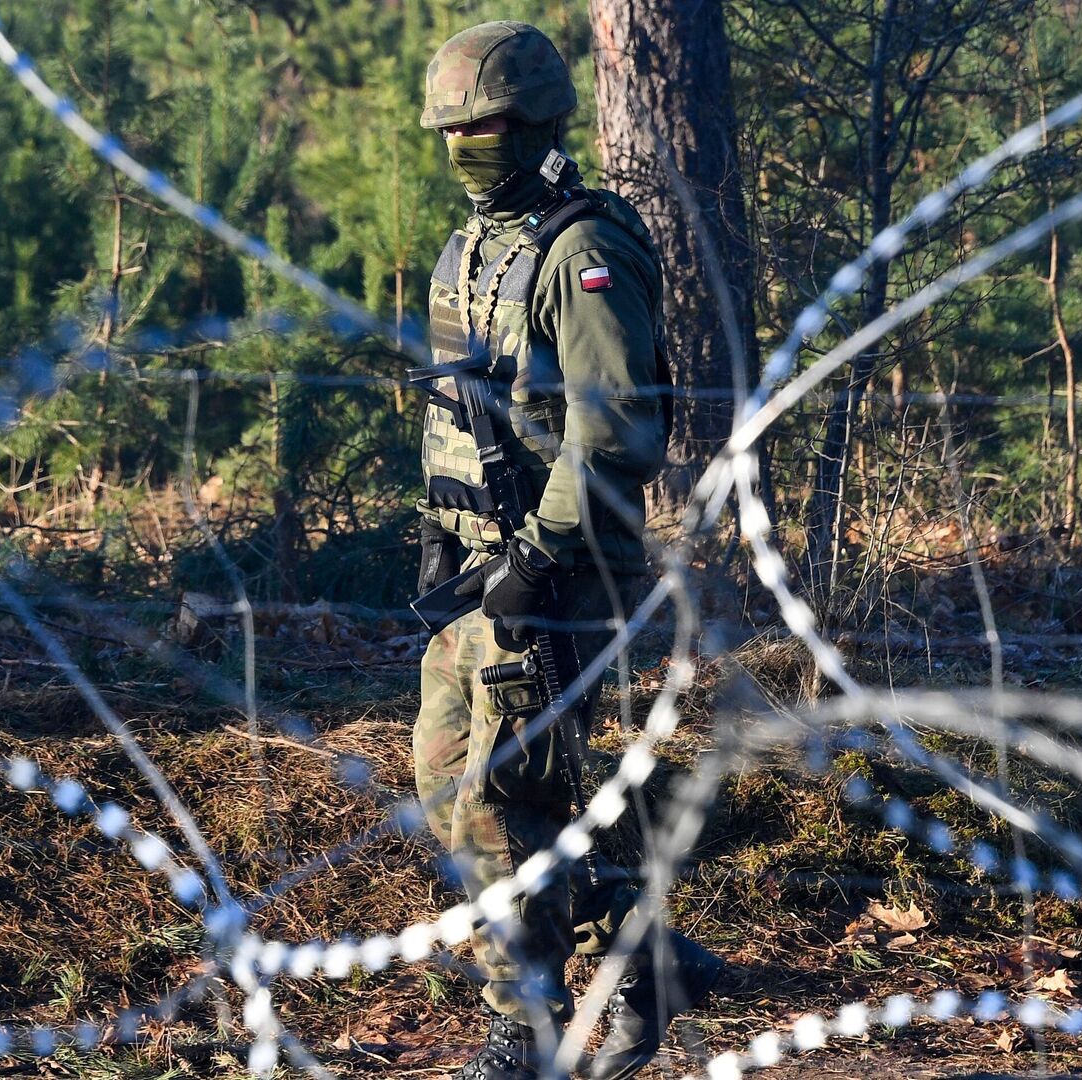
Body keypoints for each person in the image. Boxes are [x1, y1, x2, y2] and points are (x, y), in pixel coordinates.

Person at [409, 20, 723, 1080]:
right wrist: (441, 538)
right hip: (479, 571)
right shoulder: (476, 244)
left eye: (484, 126)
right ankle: (638, 955)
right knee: (447, 779)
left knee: (505, 798)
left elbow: (619, 424)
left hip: (559, 574)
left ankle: (529, 1028)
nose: (465, 145)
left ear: (536, 121)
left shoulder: (581, 250)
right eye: (450, 129)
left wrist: (537, 559)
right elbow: (466, 412)